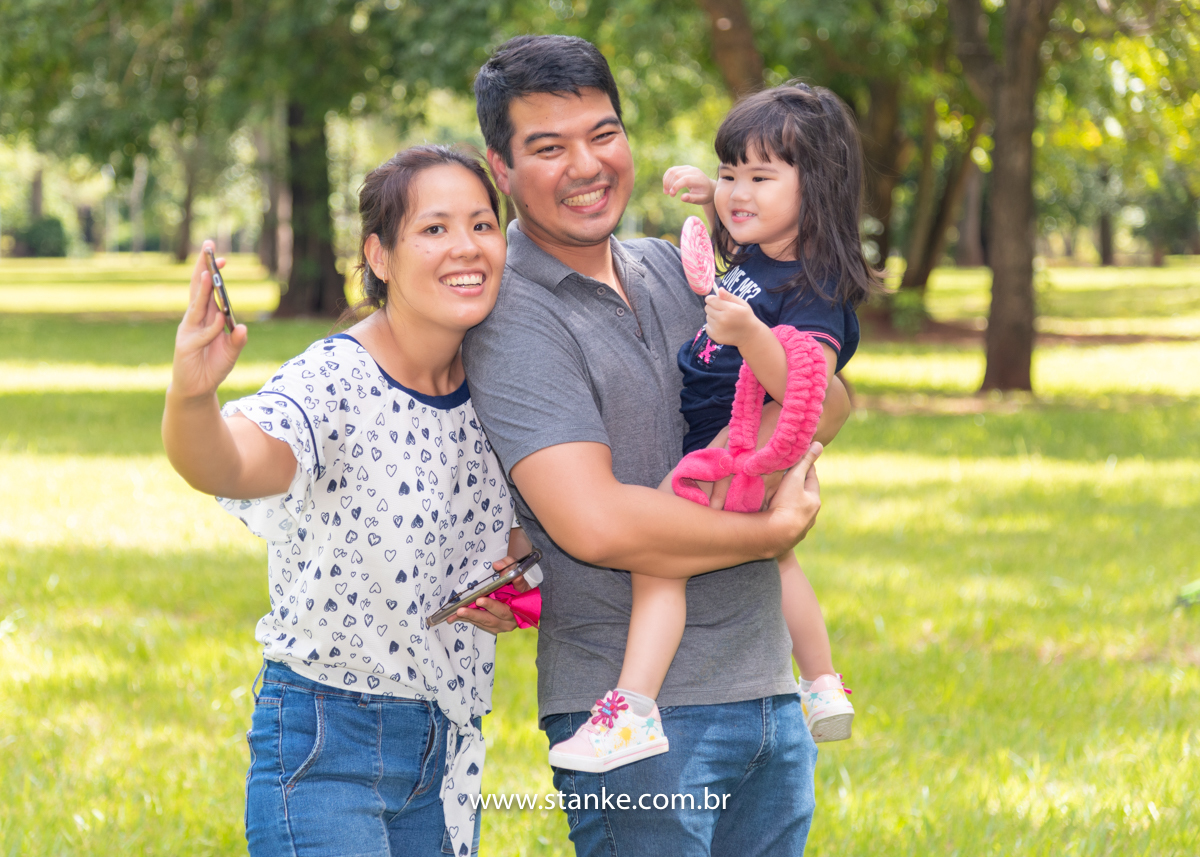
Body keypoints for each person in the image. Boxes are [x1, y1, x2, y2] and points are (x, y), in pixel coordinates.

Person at [462, 35, 826, 856]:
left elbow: (827, 401)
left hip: (767, 687)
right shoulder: (509, 315)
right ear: (501, 167)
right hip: (635, 724)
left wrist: (795, 382)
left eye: (603, 133)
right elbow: (597, 524)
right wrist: (769, 532)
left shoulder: (678, 266)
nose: (586, 165)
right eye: (548, 147)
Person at [162, 145, 534, 857]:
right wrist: (192, 394)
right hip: (326, 737)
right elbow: (232, 461)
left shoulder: (500, 382)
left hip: (446, 743)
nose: (466, 246)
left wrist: (516, 590)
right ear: (381, 254)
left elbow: (525, 533)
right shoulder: (336, 378)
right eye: (434, 228)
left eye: (483, 224)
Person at [549, 81, 879, 770]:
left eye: (760, 176)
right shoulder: (767, 256)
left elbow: (804, 387)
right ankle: (820, 682)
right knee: (777, 557)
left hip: (742, 441)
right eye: (732, 171)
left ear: (814, 188)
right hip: (725, 436)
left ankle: (633, 708)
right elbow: (738, 245)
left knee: (657, 551)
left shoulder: (814, 288)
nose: (739, 190)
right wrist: (711, 197)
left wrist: (752, 335)